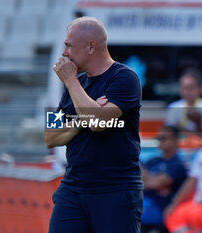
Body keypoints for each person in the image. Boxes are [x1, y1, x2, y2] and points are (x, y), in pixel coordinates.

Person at [45, 16, 143, 233]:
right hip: (73, 188)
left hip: (115, 190)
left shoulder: (125, 78)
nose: (64, 53)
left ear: (91, 46)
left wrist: (71, 81)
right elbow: (51, 136)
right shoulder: (74, 86)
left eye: (69, 46)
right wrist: (83, 117)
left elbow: (98, 122)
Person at [141, 126, 187, 233]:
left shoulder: (177, 164)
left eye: (163, 138)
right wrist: (150, 180)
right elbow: (136, 178)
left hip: (162, 219)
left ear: (175, 139)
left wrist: (146, 179)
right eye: (159, 138)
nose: (160, 141)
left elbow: (157, 183)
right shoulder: (153, 161)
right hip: (141, 216)